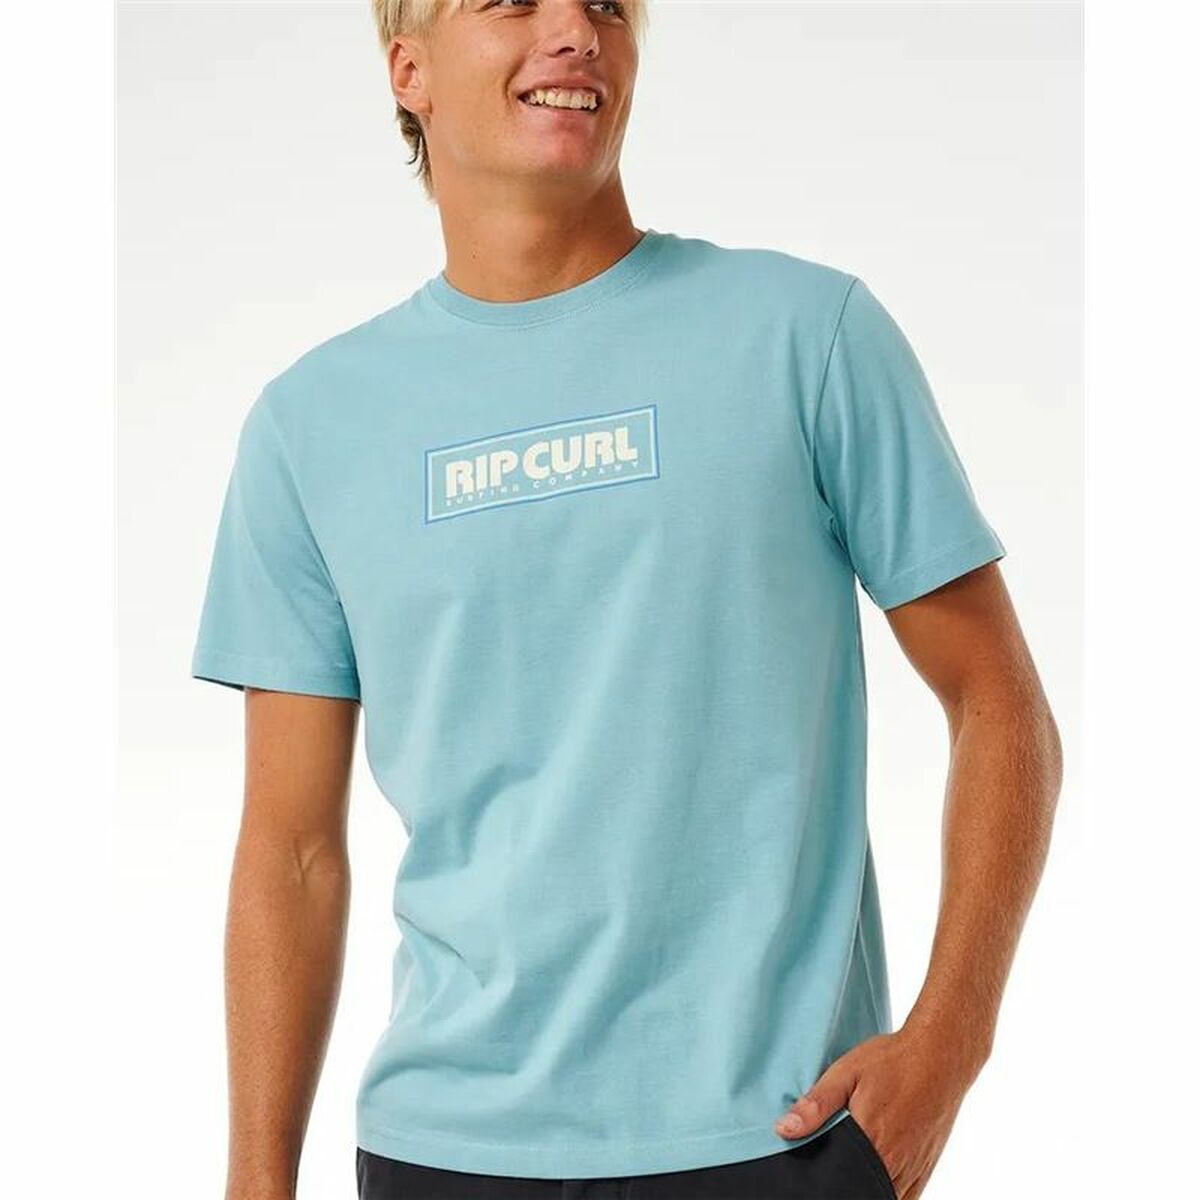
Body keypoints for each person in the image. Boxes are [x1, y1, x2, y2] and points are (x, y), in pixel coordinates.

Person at [189, 1, 1063, 1198]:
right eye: (513, 0)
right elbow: (290, 851)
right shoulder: (311, 427)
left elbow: (999, 702)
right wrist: (256, 1186)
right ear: (409, 69)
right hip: (444, 1155)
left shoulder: (806, 336)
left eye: (607, 2)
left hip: (782, 1139)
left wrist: (951, 1046)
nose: (576, 31)